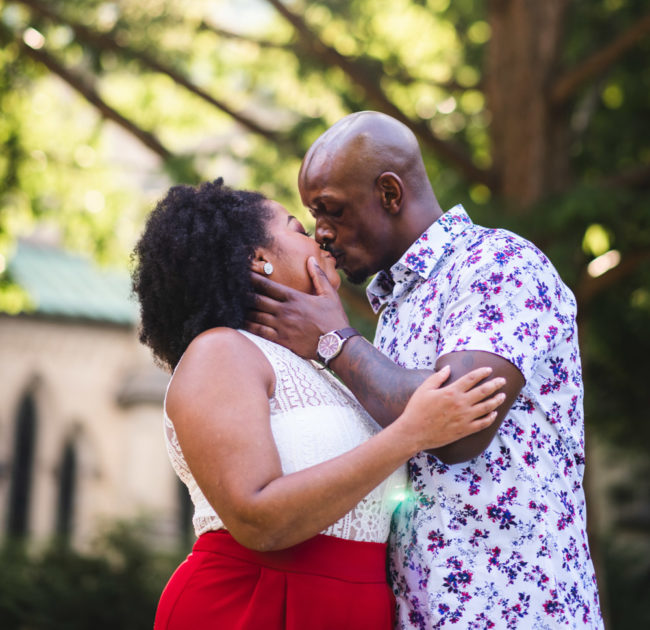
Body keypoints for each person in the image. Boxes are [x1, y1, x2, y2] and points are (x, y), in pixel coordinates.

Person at [249, 111, 604, 629]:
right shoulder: (393, 307)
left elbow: (460, 428)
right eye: (311, 217)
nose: (321, 235)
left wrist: (334, 340)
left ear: (390, 194)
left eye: (332, 212)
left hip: (516, 610)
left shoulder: (499, 264)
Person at [131, 178, 507, 630]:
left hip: (357, 607)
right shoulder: (221, 351)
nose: (320, 238)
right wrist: (409, 435)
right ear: (259, 259)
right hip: (253, 603)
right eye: (297, 228)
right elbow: (257, 519)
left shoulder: (324, 365)